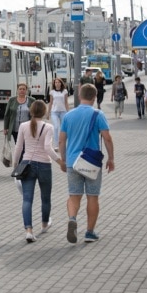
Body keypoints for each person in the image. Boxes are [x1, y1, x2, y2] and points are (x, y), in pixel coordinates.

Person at [59, 83, 115, 243]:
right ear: (95, 97)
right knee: (92, 197)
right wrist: (111, 158)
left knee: (74, 195)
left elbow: (62, 140)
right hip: (91, 163)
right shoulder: (98, 114)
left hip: (72, 162)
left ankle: (72, 218)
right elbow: (107, 138)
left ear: (79, 96)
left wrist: (63, 160)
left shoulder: (68, 116)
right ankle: (89, 232)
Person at [13, 100, 65, 243]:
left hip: (27, 165)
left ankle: (29, 230)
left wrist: (15, 164)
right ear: (44, 112)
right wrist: (59, 161)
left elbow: (18, 147)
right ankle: (44, 224)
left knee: (27, 199)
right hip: (44, 165)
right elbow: (48, 148)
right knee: (45, 198)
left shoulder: (23, 126)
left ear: (31, 111)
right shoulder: (48, 127)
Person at [47, 78, 69, 149]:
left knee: (63, 128)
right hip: (54, 112)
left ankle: (63, 143)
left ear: (61, 83)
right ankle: (56, 145)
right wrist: (48, 113)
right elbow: (50, 103)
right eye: (56, 82)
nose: (57, 84)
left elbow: (66, 102)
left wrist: (68, 112)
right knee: (56, 127)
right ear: (54, 84)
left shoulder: (65, 91)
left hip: (63, 111)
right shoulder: (52, 92)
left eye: (58, 82)